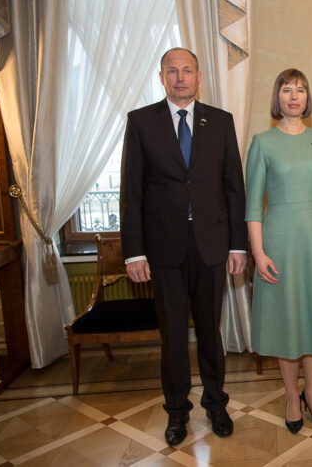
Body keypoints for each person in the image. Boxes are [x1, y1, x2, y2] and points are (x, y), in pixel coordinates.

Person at [120, 47, 248, 446]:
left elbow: (234, 188)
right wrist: (134, 252)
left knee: (211, 330)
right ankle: (177, 412)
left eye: (187, 70)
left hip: (212, 245)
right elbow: (131, 192)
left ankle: (216, 403)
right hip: (163, 250)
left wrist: (237, 246)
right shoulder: (141, 122)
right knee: (173, 335)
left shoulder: (221, 121)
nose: (180, 77)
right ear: (161, 77)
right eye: (172, 71)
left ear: (199, 76)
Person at [246, 69, 312, 434]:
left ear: (307, 97)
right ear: (278, 97)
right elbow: (253, 205)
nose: (294, 96)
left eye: (300, 90)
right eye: (287, 90)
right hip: (280, 244)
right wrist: (258, 253)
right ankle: (292, 396)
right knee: (287, 321)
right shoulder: (262, 142)